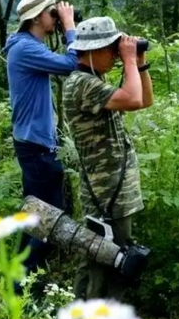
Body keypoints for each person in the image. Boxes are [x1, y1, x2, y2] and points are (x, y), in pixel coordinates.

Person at [62, 16, 154, 301]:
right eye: (111, 49)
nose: (115, 55)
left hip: (112, 189)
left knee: (103, 256)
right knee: (109, 260)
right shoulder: (82, 83)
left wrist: (139, 63)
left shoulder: (92, 79)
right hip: (105, 192)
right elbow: (133, 99)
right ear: (93, 51)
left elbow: (145, 100)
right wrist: (129, 60)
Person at [3, 0, 78, 292]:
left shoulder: (27, 46)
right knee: (51, 220)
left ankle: (17, 283)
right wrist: (70, 27)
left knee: (34, 217)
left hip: (34, 144)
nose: (56, 17)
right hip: (36, 148)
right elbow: (72, 63)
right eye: (52, 12)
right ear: (36, 19)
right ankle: (25, 287)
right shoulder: (25, 48)